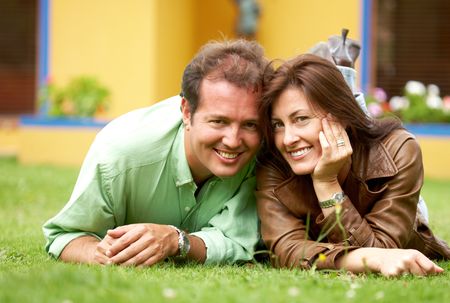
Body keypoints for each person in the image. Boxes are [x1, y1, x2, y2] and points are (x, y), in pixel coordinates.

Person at [43, 39, 269, 266]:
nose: (233, 140)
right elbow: (65, 235)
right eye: (219, 121)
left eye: (250, 124)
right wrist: (101, 254)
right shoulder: (120, 153)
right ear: (187, 112)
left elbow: (239, 243)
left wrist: (177, 241)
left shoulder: (263, 152)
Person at [256, 54, 450, 276]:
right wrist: (363, 258)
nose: (288, 139)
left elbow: (383, 249)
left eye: (301, 119)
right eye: (278, 124)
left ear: (341, 116)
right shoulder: (273, 164)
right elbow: (287, 248)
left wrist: (326, 184)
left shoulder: (397, 151)